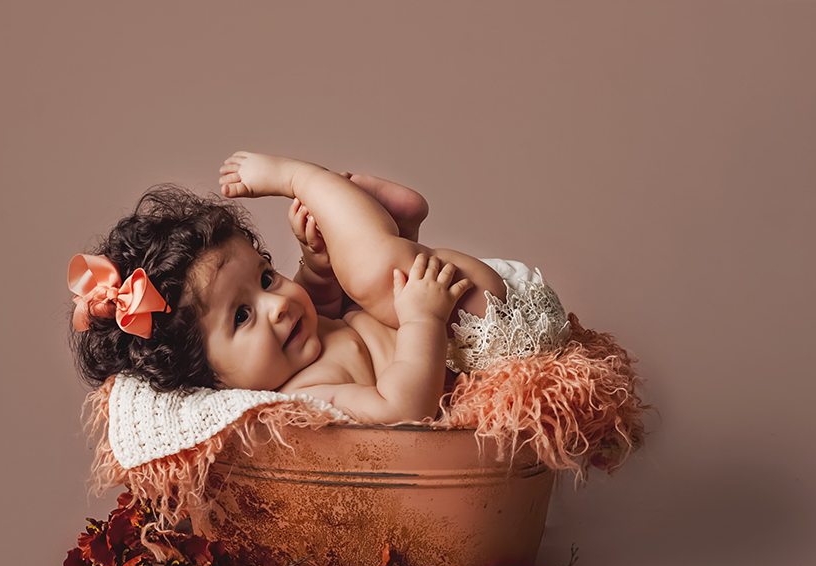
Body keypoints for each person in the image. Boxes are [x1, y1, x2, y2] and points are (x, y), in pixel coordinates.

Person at [69, 153, 569, 423]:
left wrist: (315, 263)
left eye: (266, 277)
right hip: (488, 341)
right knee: (373, 278)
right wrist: (423, 320)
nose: (279, 305)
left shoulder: (301, 345)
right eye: (241, 316)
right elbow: (403, 407)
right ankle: (299, 177)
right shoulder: (305, 394)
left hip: (485, 312)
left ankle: (399, 234)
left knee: (361, 283)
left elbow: (325, 304)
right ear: (211, 380)